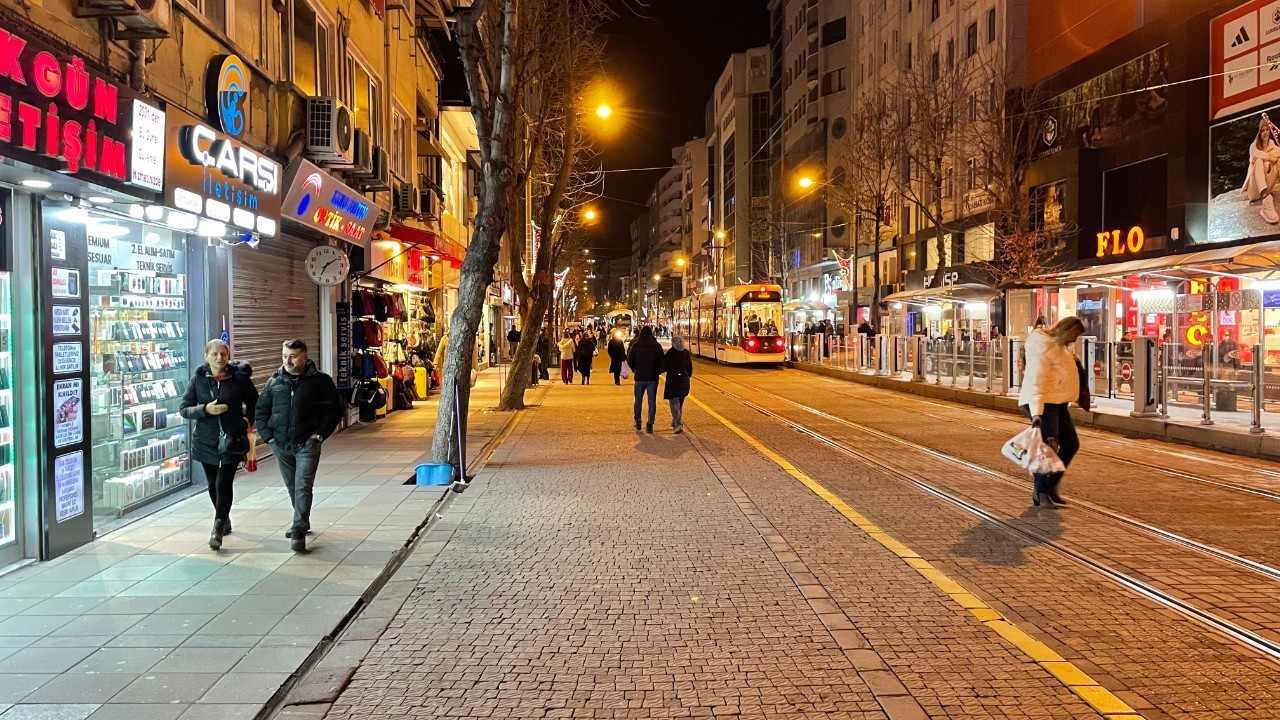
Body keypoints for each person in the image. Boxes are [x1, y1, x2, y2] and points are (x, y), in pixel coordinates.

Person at [255, 340, 343, 552]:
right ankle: (302, 519)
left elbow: (334, 411)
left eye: (293, 356)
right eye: (285, 356)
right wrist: (269, 439)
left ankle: (298, 529)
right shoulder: (274, 381)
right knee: (291, 485)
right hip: (281, 444)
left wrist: (319, 435)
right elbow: (261, 411)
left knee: (303, 484)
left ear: (304, 356)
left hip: (307, 443)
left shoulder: (320, 381)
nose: (288, 360)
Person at [180, 339, 257, 551]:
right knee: (213, 483)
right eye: (214, 354)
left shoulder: (239, 378)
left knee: (224, 481)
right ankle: (225, 517)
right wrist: (205, 410)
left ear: (228, 356)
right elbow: (185, 408)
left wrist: (246, 421)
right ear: (207, 356)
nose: (219, 358)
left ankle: (218, 526)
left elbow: (254, 402)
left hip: (232, 439)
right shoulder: (198, 377)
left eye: (223, 354)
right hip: (206, 440)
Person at [1018, 317, 1085, 509]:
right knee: (1048, 448)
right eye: (1074, 335)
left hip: (1058, 402)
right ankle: (1040, 492)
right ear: (1066, 331)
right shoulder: (1044, 346)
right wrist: (1036, 412)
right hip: (1043, 402)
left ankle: (1050, 486)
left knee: (1071, 444)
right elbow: (1036, 380)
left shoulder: (1060, 346)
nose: (1075, 339)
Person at [627, 325, 666, 433]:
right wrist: (657, 371)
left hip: (639, 377)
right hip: (652, 377)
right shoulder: (656, 346)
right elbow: (663, 362)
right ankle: (650, 423)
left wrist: (635, 369)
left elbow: (629, 359)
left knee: (638, 400)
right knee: (651, 401)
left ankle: (638, 421)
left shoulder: (636, 345)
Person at [664, 336, 693, 434]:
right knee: (679, 403)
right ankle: (675, 421)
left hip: (673, 382)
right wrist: (685, 377)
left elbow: (664, 366)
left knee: (674, 404)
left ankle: (678, 424)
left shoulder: (671, 353)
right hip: (684, 382)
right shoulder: (686, 353)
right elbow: (690, 369)